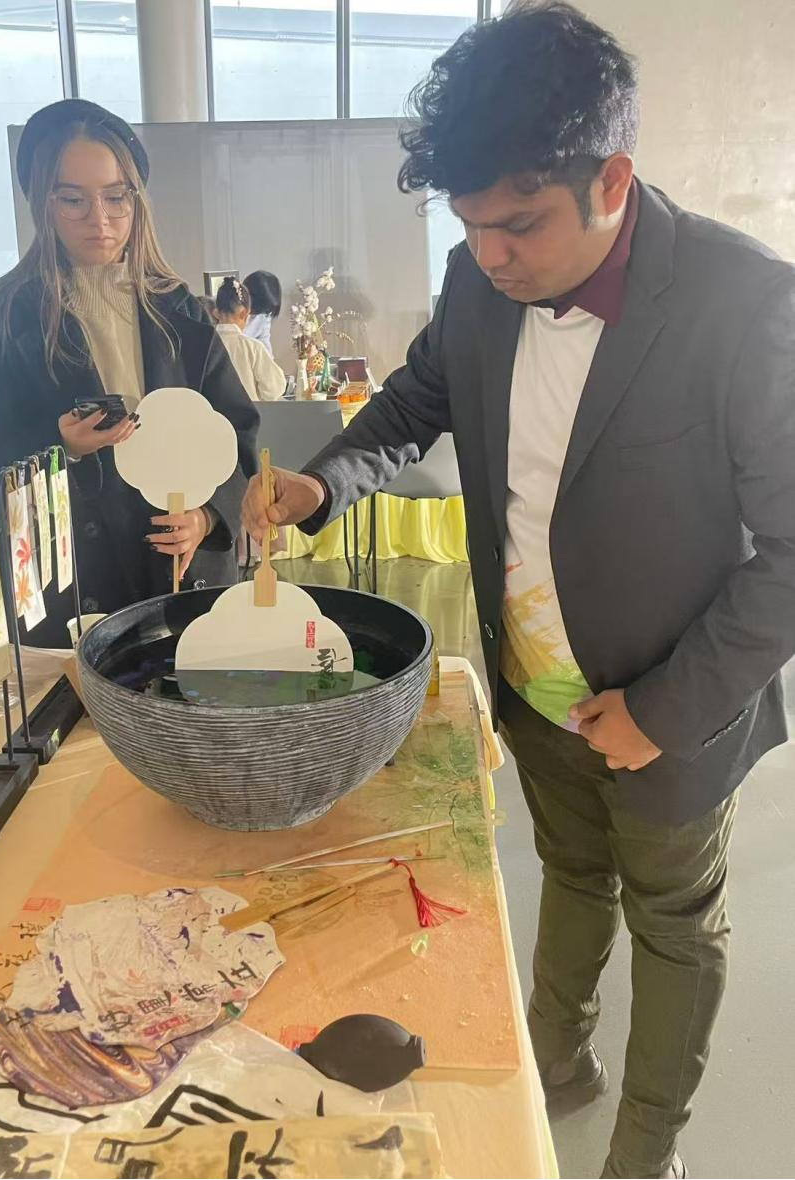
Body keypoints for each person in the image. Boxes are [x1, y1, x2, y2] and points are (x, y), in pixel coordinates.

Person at [242, 5, 795, 1178]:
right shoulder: (477, 279)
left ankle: (642, 1150)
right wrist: (321, 482)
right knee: (568, 874)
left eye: (518, 224)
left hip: (669, 710)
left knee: (671, 923)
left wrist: (661, 710)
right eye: (468, 224)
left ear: (611, 180)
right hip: (531, 688)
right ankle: (555, 1063)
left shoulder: (743, 304)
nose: (490, 254)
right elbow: (414, 402)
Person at [0, 99, 258, 647]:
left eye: (115, 197)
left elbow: (238, 432)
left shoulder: (176, 307)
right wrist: (58, 444)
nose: (100, 219)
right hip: (64, 579)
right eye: (73, 199)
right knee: (77, 696)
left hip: (175, 572)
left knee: (181, 691)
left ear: (137, 199)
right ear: (43, 203)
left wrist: (208, 516)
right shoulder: (10, 314)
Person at [215, 277, 287, 402]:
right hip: (248, 413)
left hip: (211, 414)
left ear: (216, 313)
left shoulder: (204, 345)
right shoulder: (253, 347)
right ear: (245, 313)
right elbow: (274, 388)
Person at [242, 269, 282, 356]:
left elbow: (265, 342)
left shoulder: (264, 314)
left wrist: (270, 362)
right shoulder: (227, 311)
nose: (264, 314)